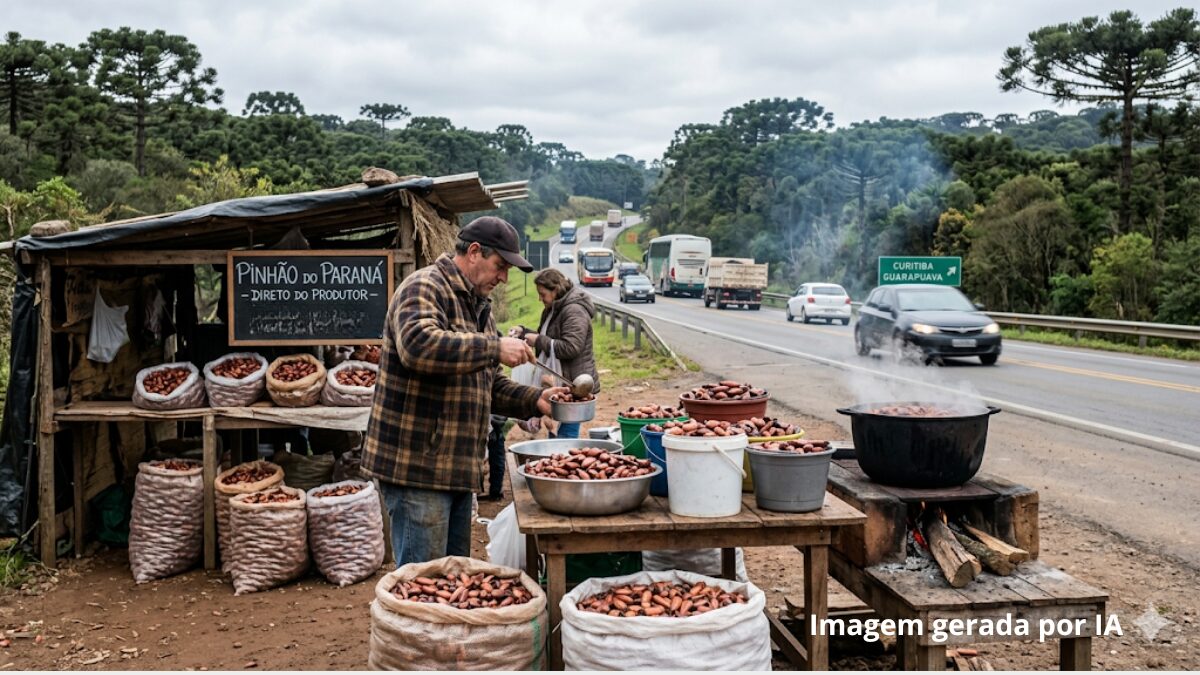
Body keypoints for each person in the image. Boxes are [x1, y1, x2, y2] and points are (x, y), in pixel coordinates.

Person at [362, 216, 567, 565]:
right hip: (417, 469)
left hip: (456, 469)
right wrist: (494, 348)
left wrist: (534, 400)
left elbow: (486, 384)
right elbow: (418, 345)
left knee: (455, 576)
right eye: (499, 266)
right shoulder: (424, 286)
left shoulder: (479, 309)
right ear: (474, 252)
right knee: (423, 584)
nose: (503, 278)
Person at [521, 268, 600, 439]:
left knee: (567, 431)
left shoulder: (574, 311)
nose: (539, 299)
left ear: (555, 290)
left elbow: (571, 347)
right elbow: (547, 337)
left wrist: (538, 340)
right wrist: (524, 333)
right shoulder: (554, 307)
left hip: (574, 382)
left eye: (542, 294)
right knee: (556, 428)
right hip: (561, 378)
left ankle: (564, 459)